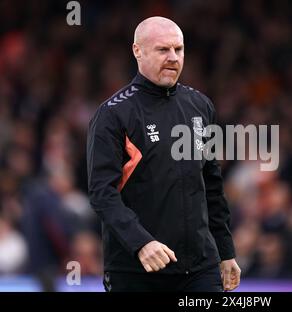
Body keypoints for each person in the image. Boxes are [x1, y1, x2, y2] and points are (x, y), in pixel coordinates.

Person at [86, 16, 240, 292]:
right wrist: (140, 243)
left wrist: (226, 250)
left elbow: (213, 187)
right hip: (136, 270)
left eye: (178, 50)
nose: (173, 57)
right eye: (162, 50)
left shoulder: (201, 106)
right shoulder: (113, 114)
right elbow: (102, 193)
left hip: (200, 268)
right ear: (137, 51)